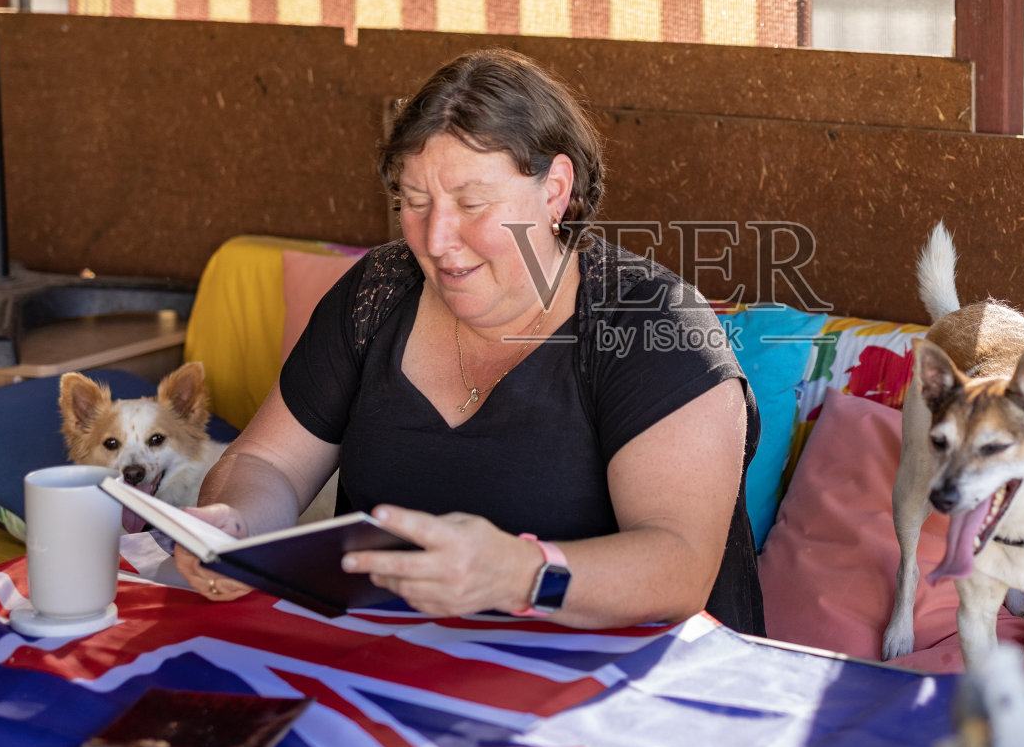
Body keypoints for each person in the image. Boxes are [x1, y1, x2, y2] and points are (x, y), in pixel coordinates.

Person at [175, 48, 764, 634]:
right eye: (414, 202)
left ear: (556, 190)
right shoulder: (376, 295)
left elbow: (680, 570)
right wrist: (235, 527)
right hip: (397, 674)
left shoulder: (652, 324)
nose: (435, 238)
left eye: (471, 203)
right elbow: (264, 460)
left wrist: (520, 575)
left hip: (624, 700)